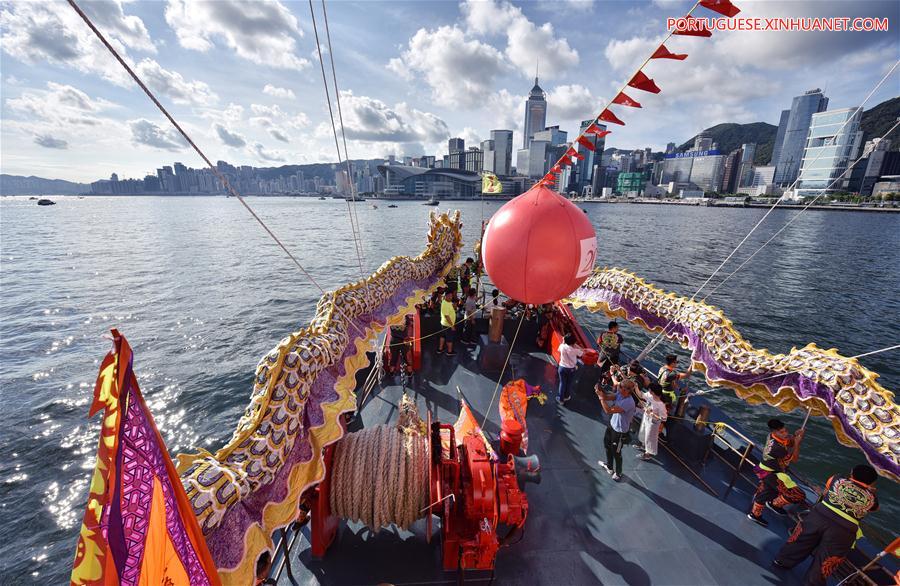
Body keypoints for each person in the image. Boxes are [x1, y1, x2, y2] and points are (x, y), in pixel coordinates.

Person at [774, 464, 879, 586]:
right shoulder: (873, 499)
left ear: (852, 474)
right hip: (844, 531)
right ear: (872, 483)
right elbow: (873, 509)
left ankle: (782, 561)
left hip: (819, 516)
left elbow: (828, 488)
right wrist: (869, 490)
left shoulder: (837, 479)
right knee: (827, 559)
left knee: (801, 540)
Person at [747, 418, 806, 527]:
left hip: (765, 469)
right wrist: (797, 443)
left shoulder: (771, 436)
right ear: (774, 432)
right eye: (782, 432)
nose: (785, 434)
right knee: (799, 495)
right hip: (771, 473)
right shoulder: (777, 448)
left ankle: (755, 514)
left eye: (786, 431)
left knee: (768, 492)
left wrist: (797, 435)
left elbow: (790, 441)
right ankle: (774, 504)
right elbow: (795, 458)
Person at [596, 377, 637, 481]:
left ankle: (619, 473)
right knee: (607, 445)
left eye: (621, 388)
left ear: (627, 390)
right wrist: (600, 392)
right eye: (620, 387)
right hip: (612, 426)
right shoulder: (620, 394)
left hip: (620, 433)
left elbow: (608, 410)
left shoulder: (628, 402)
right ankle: (609, 466)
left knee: (617, 453)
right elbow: (607, 397)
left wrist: (601, 398)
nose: (619, 389)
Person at [638, 382, 668, 460]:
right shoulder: (650, 395)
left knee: (650, 437)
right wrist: (635, 387)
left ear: (653, 392)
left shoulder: (661, 405)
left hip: (653, 423)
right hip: (646, 417)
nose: (648, 390)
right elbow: (641, 395)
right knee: (643, 431)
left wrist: (652, 414)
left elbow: (664, 418)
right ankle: (643, 445)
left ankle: (648, 454)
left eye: (650, 389)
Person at [556, 333, 584, 403]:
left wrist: (563, 342)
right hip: (571, 369)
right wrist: (576, 345)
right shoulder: (575, 350)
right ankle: (567, 396)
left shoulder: (562, 346)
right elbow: (582, 352)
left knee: (562, 383)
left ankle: (561, 399)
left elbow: (559, 349)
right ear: (573, 342)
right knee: (569, 383)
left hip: (562, 367)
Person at [437, 290, 457, 356]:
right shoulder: (445, 304)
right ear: (445, 296)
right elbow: (447, 316)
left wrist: (453, 306)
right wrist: (452, 326)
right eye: (449, 296)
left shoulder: (446, 302)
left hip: (443, 324)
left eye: (451, 296)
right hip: (447, 325)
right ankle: (449, 352)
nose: (451, 297)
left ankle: (440, 349)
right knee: (449, 339)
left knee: (443, 336)